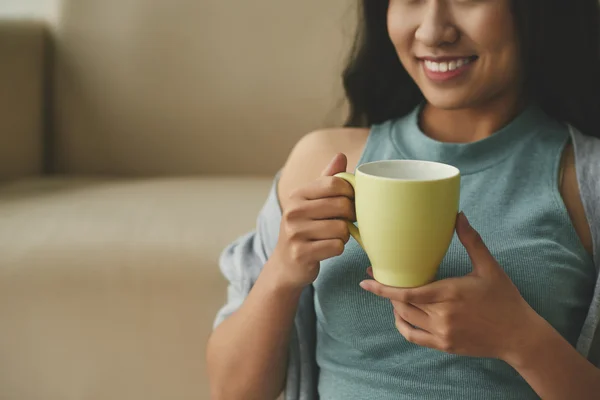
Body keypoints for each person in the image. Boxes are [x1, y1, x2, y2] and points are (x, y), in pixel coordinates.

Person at [207, 0, 600, 399]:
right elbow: (231, 391)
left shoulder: (587, 182)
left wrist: (523, 340)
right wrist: (281, 274)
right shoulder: (321, 161)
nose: (432, 32)